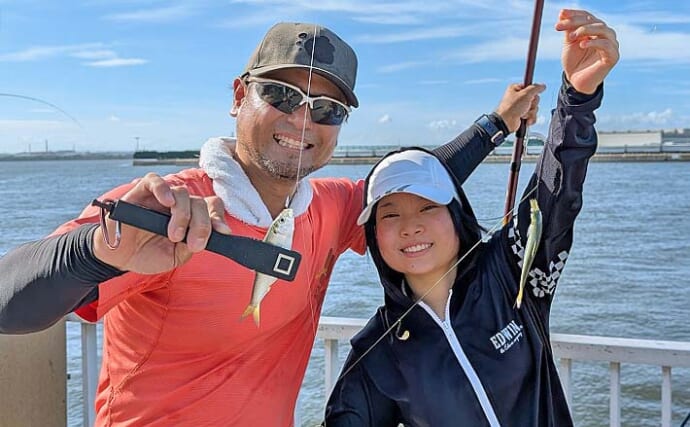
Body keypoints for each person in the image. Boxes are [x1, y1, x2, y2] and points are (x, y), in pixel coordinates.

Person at [0, 22, 543, 427]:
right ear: (240, 96)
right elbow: (8, 303)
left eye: (327, 109)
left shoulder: (328, 207)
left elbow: (412, 181)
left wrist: (496, 123)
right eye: (283, 95)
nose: (303, 120)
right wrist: (97, 250)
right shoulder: (165, 210)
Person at [324, 9, 619, 427]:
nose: (411, 226)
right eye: (390, 214)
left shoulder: (511, 271)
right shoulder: (377, 351)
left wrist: (577, 97)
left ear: (457, 214)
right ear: (374, 236)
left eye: (428, 207)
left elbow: (557, 192)